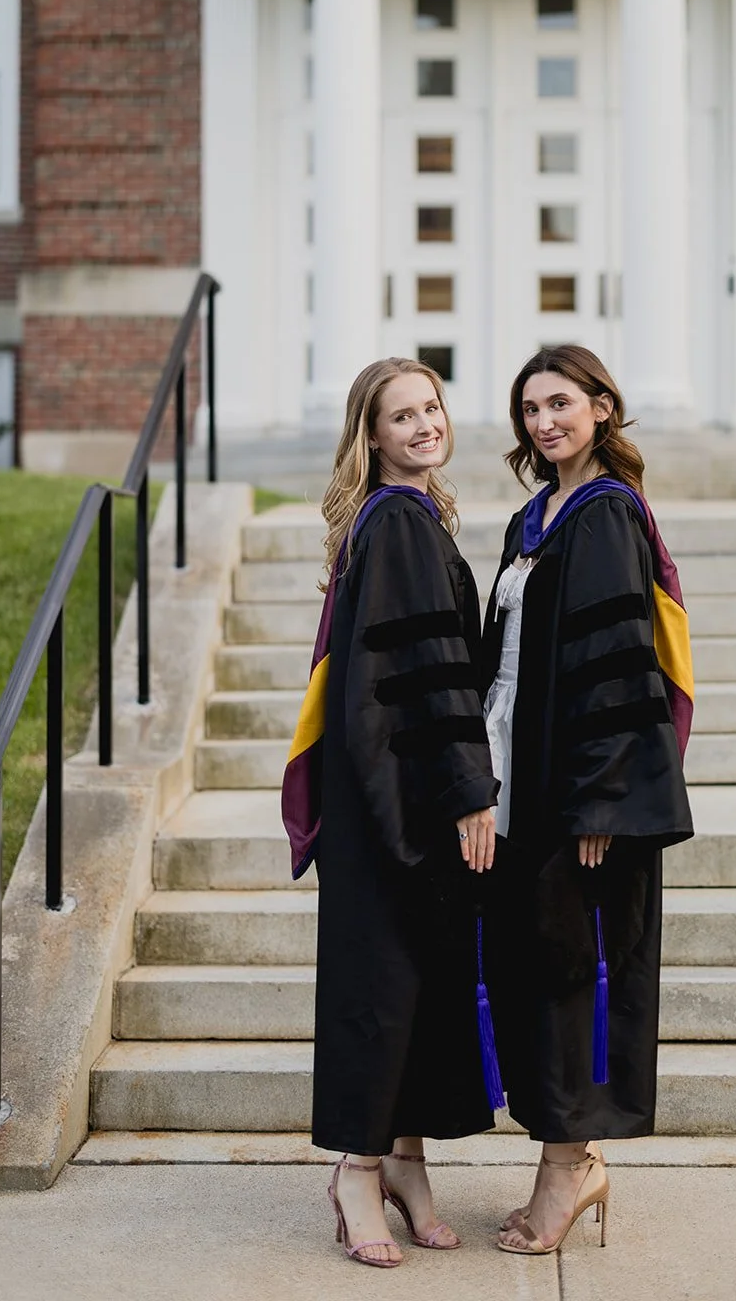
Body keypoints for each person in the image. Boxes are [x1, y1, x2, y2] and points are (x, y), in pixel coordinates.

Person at [283, 357, 500, 1269]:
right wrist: (468, 792)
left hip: (390, 795)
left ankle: (406, 1164)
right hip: (398, 805)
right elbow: (427, 679)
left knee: (420, 981)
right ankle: (358, 1171)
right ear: (370, 436)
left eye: (432, 408)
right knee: (385, 987)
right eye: (400, 416)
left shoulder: (403, 518)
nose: (422, 425)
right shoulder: (402, 523)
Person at [480, 344, 694, 1257]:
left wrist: (601, 803)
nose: (544, 422)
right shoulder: (536, 515)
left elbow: (617, 668)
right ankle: (561, 1160)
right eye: (530, 409)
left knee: (572, 979)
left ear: (603, 407)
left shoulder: (604, 515)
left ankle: (571, 1167)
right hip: (522, 793)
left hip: (580, 805)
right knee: (535, 978)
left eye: (560, 403)